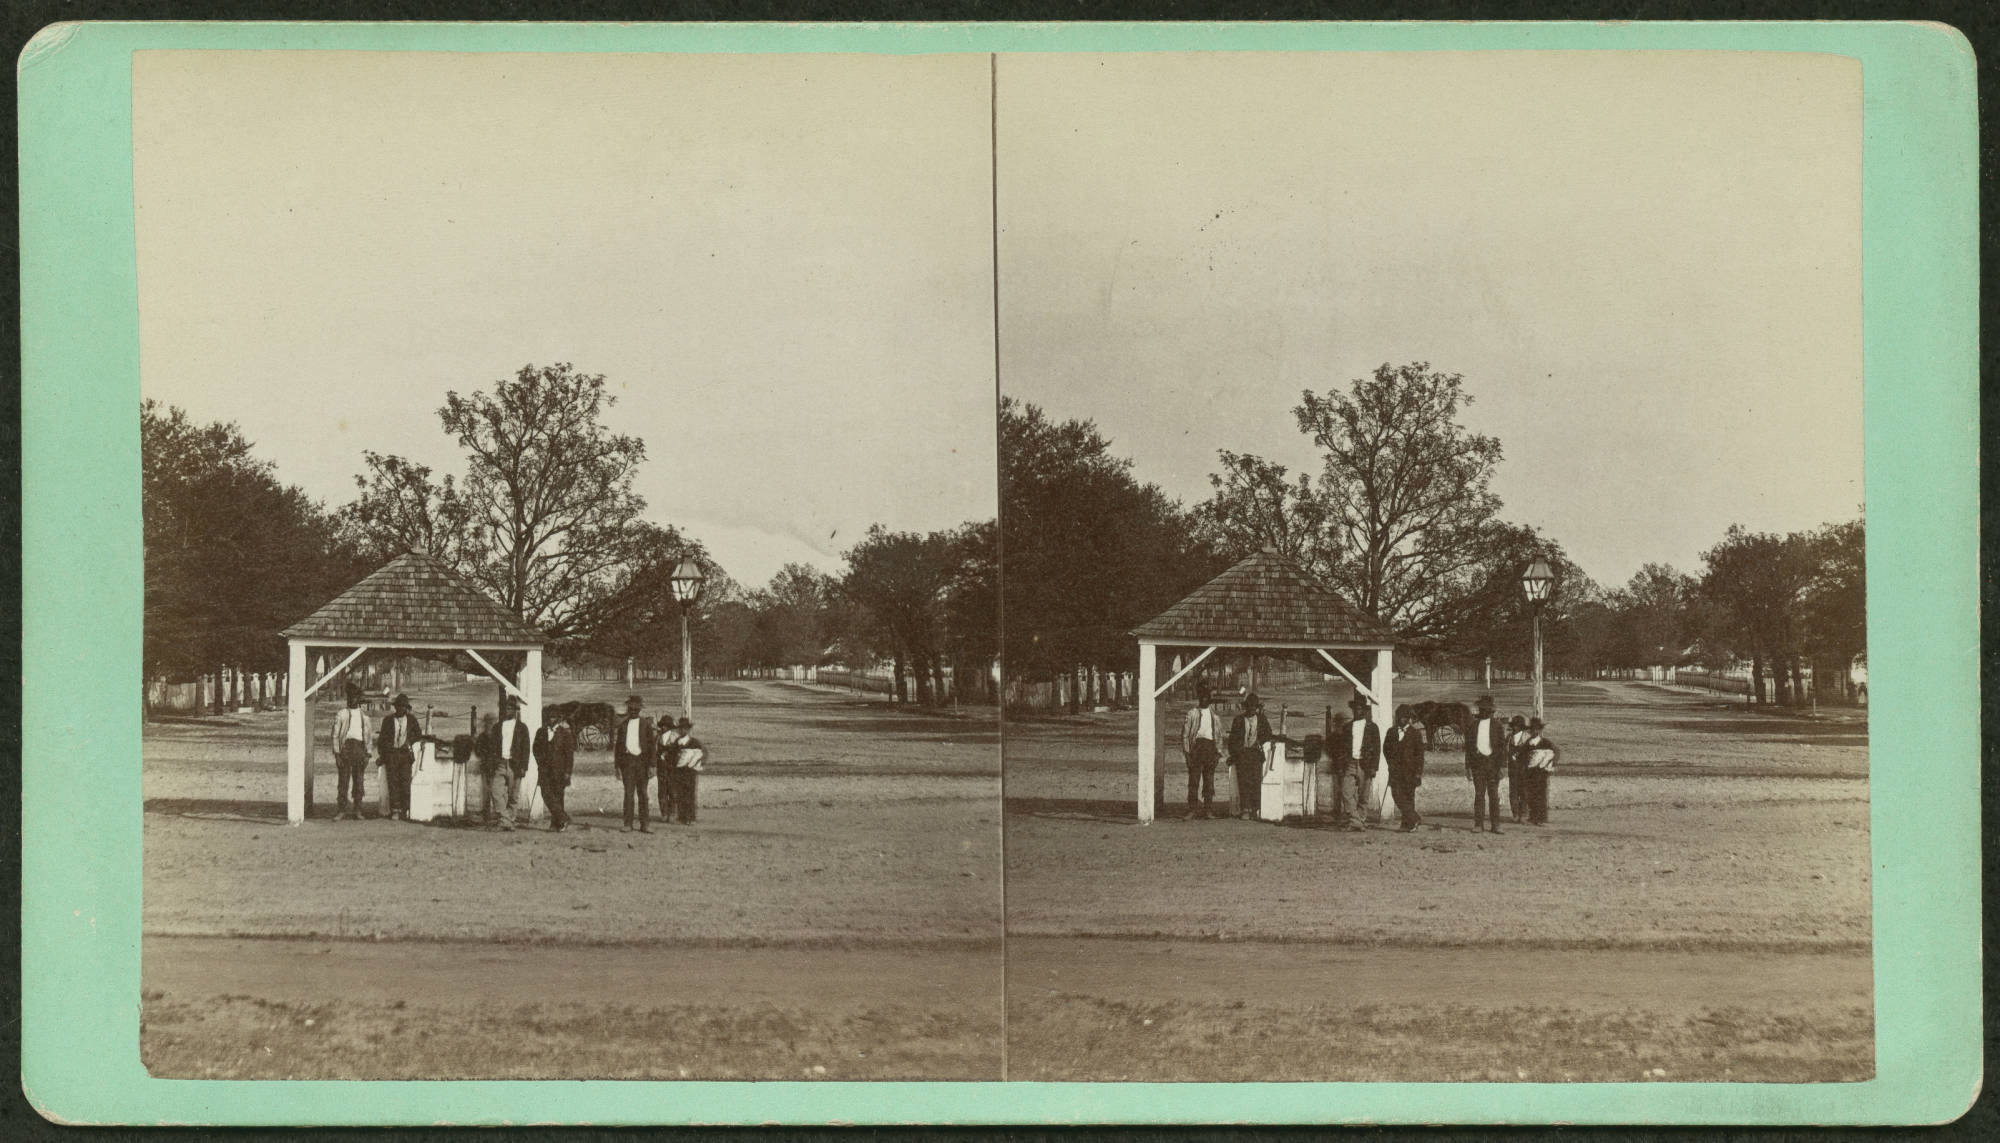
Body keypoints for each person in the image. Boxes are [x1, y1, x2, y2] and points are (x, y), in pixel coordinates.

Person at [477, 696, 532, 830]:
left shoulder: (522, 728)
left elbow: (526, 748)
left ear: (515, 710)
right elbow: (493, 747)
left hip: (515, 764)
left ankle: (507, 822)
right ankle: (506, 820)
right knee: (496, 791)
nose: (507, 710)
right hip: (500, 763)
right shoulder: (498, 727)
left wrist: (524, 766)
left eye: (510, 708)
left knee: (513, 795)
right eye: (505, 708)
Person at [1331, 695, 1381, 829]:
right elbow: (1342, 748)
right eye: (1355, 709)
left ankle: (1359, 820)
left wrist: (1374, 767)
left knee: (1363, 796)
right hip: (1351, 763)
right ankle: (1356, 820)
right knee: (1346, 792)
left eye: (1360, 709)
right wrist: (1342, 764)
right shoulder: (1347, 727)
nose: (1357, 711)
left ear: (1365, 711)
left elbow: (1377, 749)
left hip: (1366, 764)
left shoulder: (1372, 728)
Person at [375, 693, 423, 821]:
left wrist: (409, 741)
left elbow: (418, 734)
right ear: (395, 707)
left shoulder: (412, 720)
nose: (401, 709)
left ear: (406, 708)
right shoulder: (388, 720)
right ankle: (395, 810)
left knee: (405, 782)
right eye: (398, 706)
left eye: (403, 707)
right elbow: (381, 740)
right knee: (393, 782)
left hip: (405, 755)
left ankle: (405, 809)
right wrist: (384, 753)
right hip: (392, 755)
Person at [1226, 692, 1274, 820]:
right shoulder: (1238, 720)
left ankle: (1255, 809)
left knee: (1256, 781)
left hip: (1256, 754)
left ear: (1257, 707)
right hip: (1242, 754)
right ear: (1246, 707)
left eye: (1254, 707)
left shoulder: (1262, 719)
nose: (1252, 709)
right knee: (1243, 781)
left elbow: (1268, 734)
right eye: (1249, 707)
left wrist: (1260, 741)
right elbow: (1232, 740)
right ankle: (1245, 809)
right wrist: (1236, 752)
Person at [613, 694, 657, 833]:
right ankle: (628, 823)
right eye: (631, 708)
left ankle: (645, 824)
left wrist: (652, 765)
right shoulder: (623, 726)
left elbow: (651, 747)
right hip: (627, 763)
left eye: (636, 709)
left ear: (640, 710)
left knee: (643, 794)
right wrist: (617, 767)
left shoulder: (646, 725)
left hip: (642, 763)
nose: (633, 711)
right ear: (628, 708)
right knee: (628, 794)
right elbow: (618, 748)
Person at [1178, 686, 1222, 819]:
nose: (1204, 700)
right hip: (1196, 749)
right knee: (1194, 780)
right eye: (1202, 698)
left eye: (1207, 698)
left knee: (1209, 781)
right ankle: (1192, 809)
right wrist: (1187, 752)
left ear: (1210, 699)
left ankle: (1208, 809)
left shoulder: (1214, 716)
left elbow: (1219, 736)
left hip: (1210, 749)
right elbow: (1185, 734)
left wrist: (1218, 752)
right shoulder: (1192, 714)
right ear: (1199, 699)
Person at [329, 686, 371, 820]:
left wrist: (368, 754)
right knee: (343, 780)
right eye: (350, 698)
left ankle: (357, 809)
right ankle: (341, 810)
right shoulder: (341, 714)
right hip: (345, 749)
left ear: (358, 699)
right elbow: (335, 735)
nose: (352, 700)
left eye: (355, 698)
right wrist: (337, 754)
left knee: (358, 780)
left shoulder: (364, 717)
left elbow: (368, 737)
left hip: (359, 749)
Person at [1464, 694, 1505, 833]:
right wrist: (1468, 767)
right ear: (1479, 709)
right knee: (1479, 794)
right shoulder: (1473, 725)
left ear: (1492, 711)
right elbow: (1468, 748)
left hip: (1493, 766)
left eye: (1487, 709)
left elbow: (1502, 748)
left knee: (1493, 795)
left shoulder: (1497, 726)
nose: (1484, 712)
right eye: (1482, 709)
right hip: (1478, 765)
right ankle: (1478, 824)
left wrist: (1502, 767)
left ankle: (1496, 825)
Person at [1384, 703, 1427, 831]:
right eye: (1399, 716)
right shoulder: (1391, 732)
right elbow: (1385, 749)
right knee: (1396, 794)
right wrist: (1391, 762)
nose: (1401, 719)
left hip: (1410, 772)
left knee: (1409, 796)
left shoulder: (1415, 733)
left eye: (1404, 717)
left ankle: (1407, 824)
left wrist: (1418, 772)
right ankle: (1414, 818)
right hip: (1395, 770)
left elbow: (1420, 755)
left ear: (1408, 718)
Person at [533, 709, 576, 832]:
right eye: (549, 717)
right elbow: (535, 749)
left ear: (558, 718)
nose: (551, 719)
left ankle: (556, 824)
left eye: (554, 717)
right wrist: (540, 762)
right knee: (545, 793)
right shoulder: (540, 732)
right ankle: (564, 818)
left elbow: (569, 755)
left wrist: (568, 772)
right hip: (544, 770)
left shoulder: (565, 734)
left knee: (558, 796)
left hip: (560, 771)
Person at [1521, 717, 1560, 825]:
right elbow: (1522, 757)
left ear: (1540, 730)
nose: (1534, 731)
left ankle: (1542, 818)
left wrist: (1550, 765)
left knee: (1541, 794)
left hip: (1541, 773)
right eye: (1532, 729)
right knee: (1531, 794)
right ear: (1530, 731)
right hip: (1530, 773)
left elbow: (1556, 753)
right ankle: (1533, 817)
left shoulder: (1546, 743)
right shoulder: (1527, 744)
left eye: (1537, 729)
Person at [666, 716, 703, 824]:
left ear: (688, 730)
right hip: (678, 772)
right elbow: (670, 757)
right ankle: (682, 817)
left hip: (690, 772)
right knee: (680, 793)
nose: (683, 730)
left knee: (690, 794)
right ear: (678, 729)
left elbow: (701, 755)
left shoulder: (694, 742)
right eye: (681, 728)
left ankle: (691, 818)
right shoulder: (676, 743)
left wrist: (694, 764)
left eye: (685, 728)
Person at [1504, 714, 1531, 823]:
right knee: (1513, 791)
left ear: (1521, 727)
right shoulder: (1509, 737)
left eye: (1517, 726)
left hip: (1524, 769)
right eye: (1514, 725)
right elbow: (1504, 752)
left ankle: (1523, 814)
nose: (1515, 728)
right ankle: (1515, 813)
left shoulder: (1527, 738)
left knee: (1524, 791)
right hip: (1512, 769)